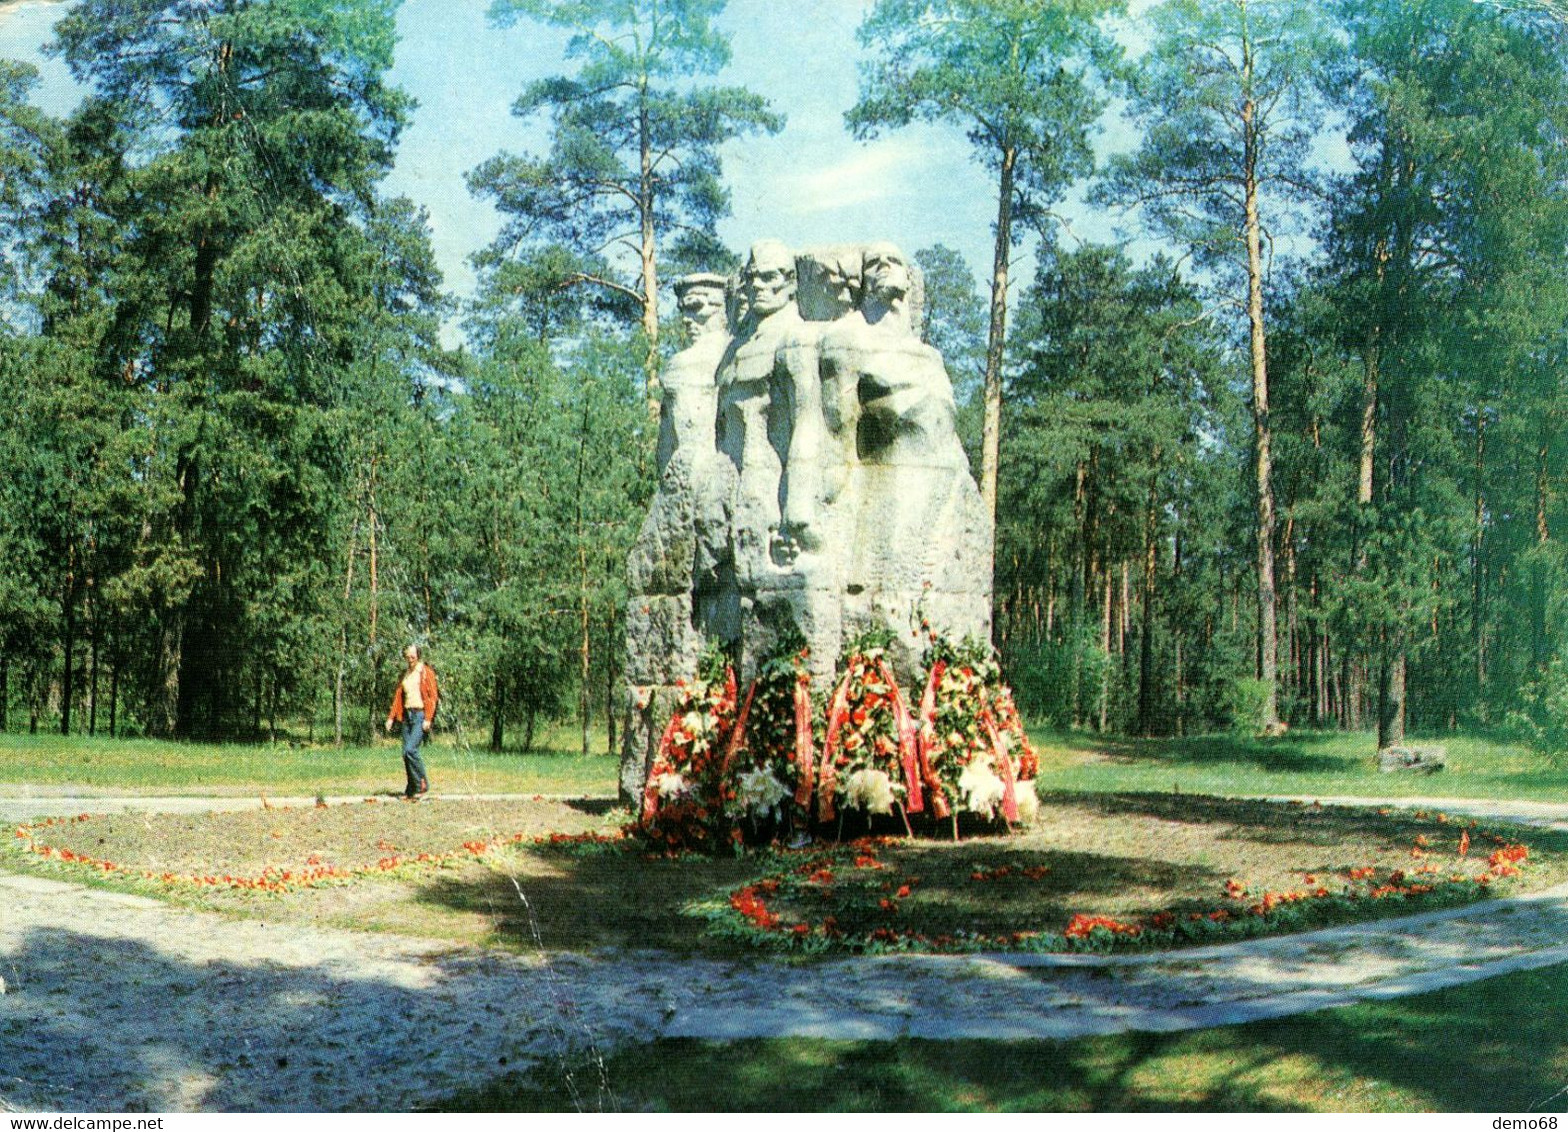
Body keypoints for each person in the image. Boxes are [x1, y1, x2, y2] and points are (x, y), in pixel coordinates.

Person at [385, 644, 438, 799]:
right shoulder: (405, 674)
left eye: (412, 657)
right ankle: (411, 789)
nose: (410, 659)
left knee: (411, 750)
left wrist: (428, 718)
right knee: (405, 753)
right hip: (407, 716)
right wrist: (391, 718)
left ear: (418, 656)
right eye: (407, 657)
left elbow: (433, 696)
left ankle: (422, 785)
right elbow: (398, 697)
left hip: (420, 715)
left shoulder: (425, 673)